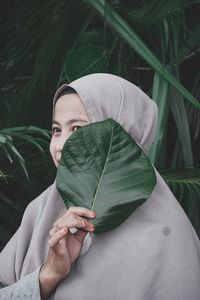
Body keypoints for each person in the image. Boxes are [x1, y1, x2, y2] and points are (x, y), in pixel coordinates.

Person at [0, 73, 200, 300]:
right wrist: (48, 275)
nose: (60, 145)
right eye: (57, 130)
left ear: (123, 136)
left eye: (77, 129)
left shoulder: (167, 236)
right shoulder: (41, 211)